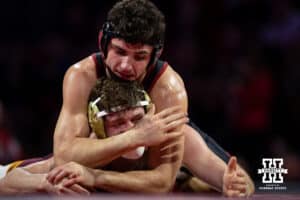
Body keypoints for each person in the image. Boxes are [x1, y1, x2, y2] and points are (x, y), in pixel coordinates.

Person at [52, 0, 254, 195]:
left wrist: (95, 177)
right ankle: (185, 179)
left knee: (239, 181)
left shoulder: (168, 89)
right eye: (119, 51)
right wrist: (134, 136)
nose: (125, 65)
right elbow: (64, 156)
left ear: (154, 56)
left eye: (139, 56)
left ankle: (185, 176)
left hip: (145, 156)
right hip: (105, 149)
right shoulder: (81, 76)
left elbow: (162, 182)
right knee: (46, 170)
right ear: (102, 43)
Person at [1, 78, 247, 196]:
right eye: (118, 122)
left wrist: (231, 184)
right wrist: (43, 183)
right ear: (98, 128)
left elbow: (239, 181)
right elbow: (5, 178)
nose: (131, 129)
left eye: (137, 119)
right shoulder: (84, 155)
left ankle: (184, 179)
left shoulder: (173, 135)